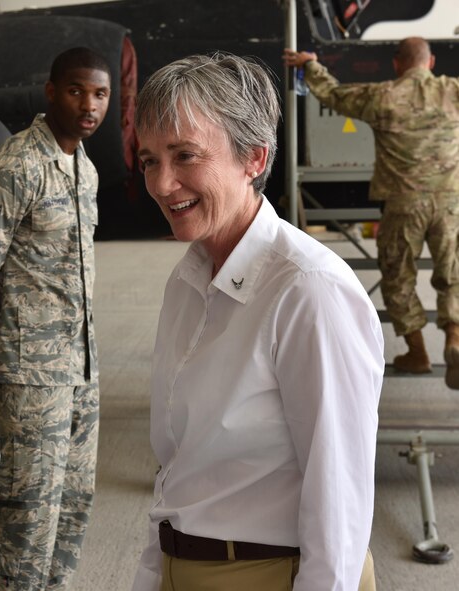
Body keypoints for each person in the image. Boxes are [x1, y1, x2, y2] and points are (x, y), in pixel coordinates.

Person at [130, 54, 384, 590]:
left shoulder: (307, 289)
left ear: (254, 157)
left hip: (271, 574)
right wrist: (153, 572)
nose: (162, 183)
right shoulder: (189, 280)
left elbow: (338, 494)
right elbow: (179, 468)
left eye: (186, 155)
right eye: (150, 159)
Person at [0, 46, 111, 590]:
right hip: (27, 375)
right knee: (24, 517)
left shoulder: (85, 168)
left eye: (99, 93)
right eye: (76, 90)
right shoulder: (14, 166)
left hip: (81, 370)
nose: (88, 104)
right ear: (50, 92)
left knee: (72, 509)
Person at [284, 38, 459, 387]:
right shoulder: (453, 91)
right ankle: (455, 337)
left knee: (397, 276)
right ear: (431, 61)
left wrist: (311, 65)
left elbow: (333, 95)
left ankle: (417, 352)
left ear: (397, 64)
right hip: (451, 203)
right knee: (454, 274)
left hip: (403, 204)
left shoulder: (383, 96)